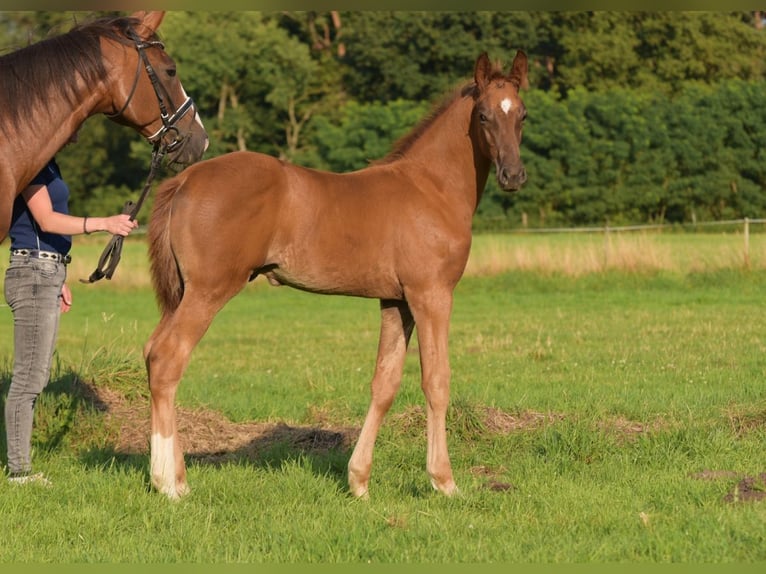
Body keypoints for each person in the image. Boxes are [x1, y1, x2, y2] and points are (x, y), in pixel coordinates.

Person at [3, 131, 138, 485]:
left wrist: (59, 276)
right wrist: (103, 223)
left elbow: (42, 231)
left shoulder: (48, 165)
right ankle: (19, 471)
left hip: (45, 271)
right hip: (32, 272)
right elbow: (46, 221)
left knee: (36, 375)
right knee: (28, 378)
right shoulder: (29, 165)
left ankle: (21, 465)